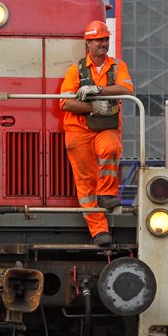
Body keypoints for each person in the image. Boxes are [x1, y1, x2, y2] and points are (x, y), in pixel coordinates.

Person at [59, 20, 134, 247]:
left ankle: (107, 193)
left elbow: (127, 88)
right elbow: (65, 103)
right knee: (85, 185)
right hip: (78, 131)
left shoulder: (117, 66)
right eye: (99, 40)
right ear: (88, 43)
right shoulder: (75, 71)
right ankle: (99, 231)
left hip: (106, 128)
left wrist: (98, 90)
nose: (103, 43)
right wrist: (93, 107)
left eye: (105, 39)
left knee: (111, 147)